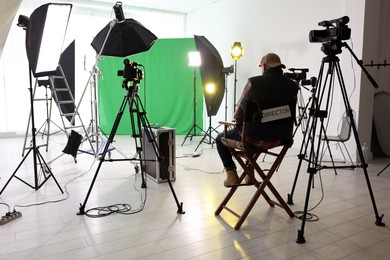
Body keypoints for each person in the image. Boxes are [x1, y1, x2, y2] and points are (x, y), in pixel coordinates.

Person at [216, 53, 298, 187]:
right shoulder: (293, 86)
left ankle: (232, 176)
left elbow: (239, 115)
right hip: (281, 138)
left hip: (252, 139)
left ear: (264, 66)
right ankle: (249, 174)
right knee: (251, 135)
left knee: (220, 139)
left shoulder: (253, 83)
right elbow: (291, 113)